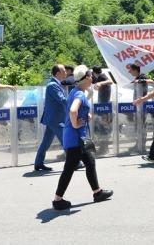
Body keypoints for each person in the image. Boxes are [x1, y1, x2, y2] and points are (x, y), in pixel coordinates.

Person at [52, 65, 112, 210]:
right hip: (76, 138)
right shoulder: (79, 94)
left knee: (90, 162)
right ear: (85, 78)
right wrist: (76, 123)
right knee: (69, 169)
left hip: (76, 138)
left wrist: (85, 115)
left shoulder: (75, 91)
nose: (92, 77)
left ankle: (97, 192)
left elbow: (76, 110)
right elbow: (73, 110)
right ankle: (57, 200)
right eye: (90, 75)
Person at [35, 65, 68, 171]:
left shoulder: (55, 84)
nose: (66, 72)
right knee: (66, 140)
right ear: (58, 73)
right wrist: (75, 101)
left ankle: (38, 163)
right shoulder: (52, 85)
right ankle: (75, 162)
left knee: (46, 142)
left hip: (53, 119)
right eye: (64, 70)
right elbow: (62, 99)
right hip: (55, 120)